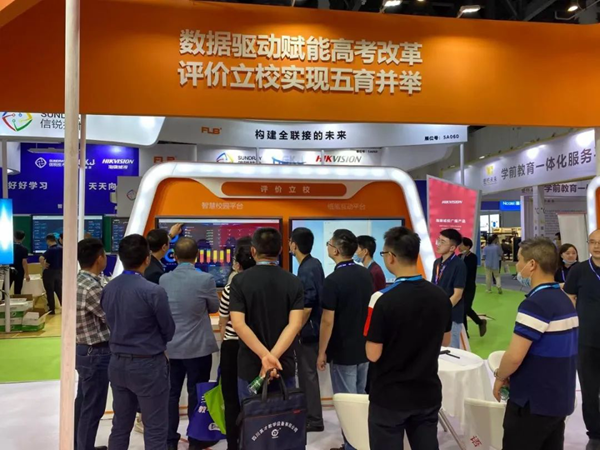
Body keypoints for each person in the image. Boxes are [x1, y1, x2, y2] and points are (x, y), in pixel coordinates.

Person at [365, 226, 452, 450]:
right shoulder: (440, 296)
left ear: (391, 257)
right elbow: (445, 341)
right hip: (427, 392)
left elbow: (373, 354)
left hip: (389, 396)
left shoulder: (381, 299)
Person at [494, 237, 578, 450]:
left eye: (519, 260)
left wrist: (500, 377)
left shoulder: (535, 304)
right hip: (559, 397)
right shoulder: (564, 300)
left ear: (532, 264)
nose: (517, 266)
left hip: (533, 401)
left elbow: (514, 356)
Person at [102, 234, 175, 450]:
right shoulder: (154, 291)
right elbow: (168, 330)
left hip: (117, 363)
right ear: (147, 259)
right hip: (148, 365)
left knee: (120, 425)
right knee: (155, 429)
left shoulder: (108, 288)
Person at [229, 228, 304, 400]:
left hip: (251, 366)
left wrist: (266, 358)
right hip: (282, 364)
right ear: (280, 250)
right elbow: (295, 324)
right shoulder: (294, 282)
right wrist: (272, 358)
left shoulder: (239, 281)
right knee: (284, 414)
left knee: (252, 414)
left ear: (253, 251)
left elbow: (238, 324)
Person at [159, 237, 220, 450]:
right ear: (197, 256)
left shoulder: (164, 280)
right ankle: (196, 439)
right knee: (197, 393)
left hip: (171, 348)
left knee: (171, 394)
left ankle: (169, 441)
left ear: (174, 256)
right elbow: (214, 307)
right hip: (198, 347)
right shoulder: (205, 279)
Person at [318, 229, 373, 450]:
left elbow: (327, 321)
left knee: (347, 403)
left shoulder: (333, 280)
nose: (328, 247)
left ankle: (352, 446)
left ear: (336, 250)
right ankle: (362, 443)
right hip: (364, 347)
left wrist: (321, 351)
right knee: (360, 398)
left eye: (329, 244)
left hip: (343, 351)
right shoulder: (365, 274)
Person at [564, 230, 600, 450]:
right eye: (593, 242)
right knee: (589, 390)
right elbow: (570, 298)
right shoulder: (578, 270)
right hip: (586, 340)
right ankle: (595, 433)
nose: (597, 246)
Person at [219, 237, 255, 450]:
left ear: (238, 264)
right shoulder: (262, 286)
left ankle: (233, 444)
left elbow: (223, 321)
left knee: (231, 399)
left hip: (232, 347)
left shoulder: (231, 288)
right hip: (257, 347)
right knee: (255, 398)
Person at [74, 238, 109, 450]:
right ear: (99, 259)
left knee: (84, 402)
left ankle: (80, 445)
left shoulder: (79, 281)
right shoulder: (92, 288)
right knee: (93, 407)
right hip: (96, 352)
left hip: (84, 350)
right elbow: (110, 316)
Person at [290, 227, 325, 433]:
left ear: (294, 245)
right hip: (314, 328)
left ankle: (314, 419)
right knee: (306, 375)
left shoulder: (306, 269)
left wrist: (296, 328)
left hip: (309, 331)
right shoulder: (314, 264)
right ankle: (310, 416)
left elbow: (308, 304)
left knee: (307, 375)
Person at [432, 229, 466, 349]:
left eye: (442, 242)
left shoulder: (459, 265)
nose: (438, 244)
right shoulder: (437, 263)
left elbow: (457, 295)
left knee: (451, 350)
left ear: (452, 248)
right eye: (438, 241)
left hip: (452, 315)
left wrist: (443, 310)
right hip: (438, 313)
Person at [459, 237, 487, 337]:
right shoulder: (459, 256)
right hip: (460, 286)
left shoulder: (473, 257)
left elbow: (467, 270)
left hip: (469, 287)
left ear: (467, 246)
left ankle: (480, 322)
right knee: (462, 309)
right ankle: (465, 331)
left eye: (461, 245)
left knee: (466, 308)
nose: (459, 247)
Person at [40, 234, 63, 314]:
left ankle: (51, 309)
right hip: (59, 272)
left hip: (49, 272)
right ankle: (64, 306)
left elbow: (41, 258)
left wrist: (44, 265)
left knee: (50, 291)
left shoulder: (50, 250)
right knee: (59, 291)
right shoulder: (61, 248)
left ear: (48, 241)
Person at [11, 230, 30, 295]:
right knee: (18, 290)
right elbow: (24, 262)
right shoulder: (24, 249)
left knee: (5, 289)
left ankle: (3, 300)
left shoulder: (9, 248)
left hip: (9, 270)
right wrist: (27, 274)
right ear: (23, 238)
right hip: (19, 271)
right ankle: (17, 301)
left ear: (13, 237)